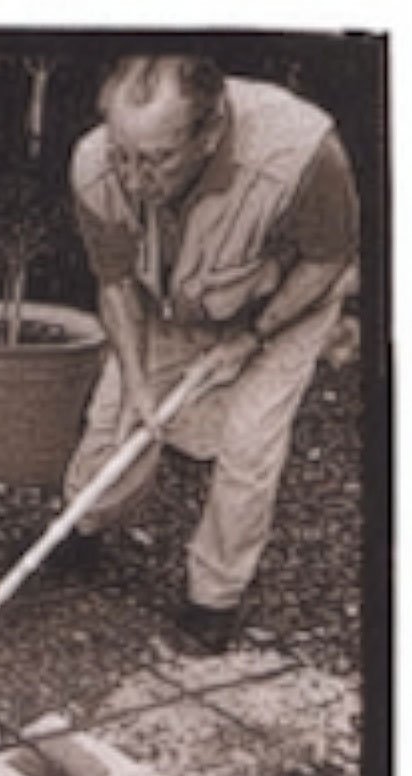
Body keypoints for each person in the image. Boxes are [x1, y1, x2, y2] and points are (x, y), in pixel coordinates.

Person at [55, 55, 359, 654]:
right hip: (171, 296)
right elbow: (116, 283)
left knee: (248, 443)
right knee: (117, 417)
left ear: (210, 132)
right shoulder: (93, 163)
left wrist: (252, 337)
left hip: (285, 299)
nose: (134, 179)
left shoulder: (304, 155)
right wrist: (139, 383)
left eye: (157, 160)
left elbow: (328, 259)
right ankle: (81, 526)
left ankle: (213, 599)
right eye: (123, 154)